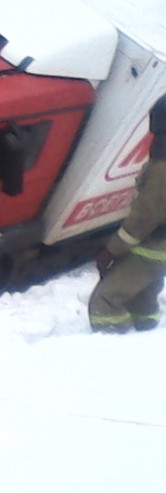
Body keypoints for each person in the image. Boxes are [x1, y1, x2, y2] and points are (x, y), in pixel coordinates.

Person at [89, 94, 166, 333]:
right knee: (142, 298)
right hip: (159, 251)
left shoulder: (163, 168)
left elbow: (146, 216)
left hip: (151, 247)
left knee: (105, 302)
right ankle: (147, 332)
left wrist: (112, 249)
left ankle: (119, 354)